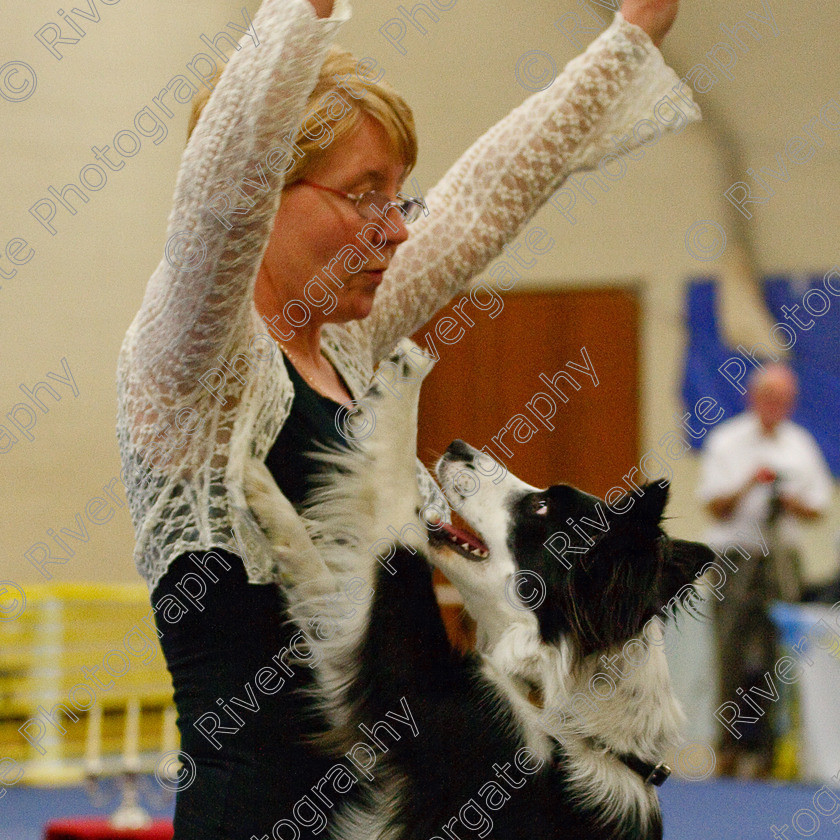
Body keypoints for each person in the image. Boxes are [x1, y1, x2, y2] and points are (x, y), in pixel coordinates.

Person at [116, 0, 697, 835]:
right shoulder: (192, 357)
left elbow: (486, 196)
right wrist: (300, 16)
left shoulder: (348, 341)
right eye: (364, 195)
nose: (395, 230)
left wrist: (633, 32)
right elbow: (221, 193)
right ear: (268, 194)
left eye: (398, 197)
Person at [698, 363, 833, 778]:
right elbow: (714, 505)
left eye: (783, 398)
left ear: (791, 403)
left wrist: (791, 501)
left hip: (780, 557)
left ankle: (773, 751)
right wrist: (749, 483)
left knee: (779, 652)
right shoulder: (727, 440)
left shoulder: (800, 444)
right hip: (736, 557)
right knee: (731, 649)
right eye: (768, 396)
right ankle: (728, 748)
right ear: (752, 398)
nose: (775, 404)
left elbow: (820, 506)